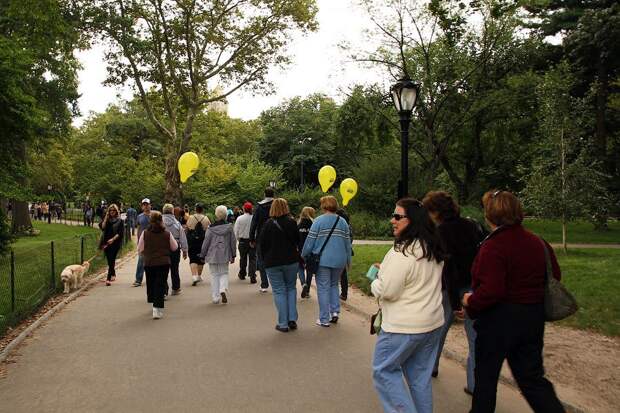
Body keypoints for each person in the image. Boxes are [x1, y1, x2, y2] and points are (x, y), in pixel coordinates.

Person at [462, 190, 565, 413]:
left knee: (486, 378)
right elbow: (554, 274)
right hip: (532, 317)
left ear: (489, 215)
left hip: (498, 320)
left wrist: (471, 302)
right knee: (532, 379)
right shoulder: (538, 242)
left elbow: (492, 290)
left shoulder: (493, 246)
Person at [370, 198, 446, 413]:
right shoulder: (431, 248)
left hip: (403, 328)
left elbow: (387, 291)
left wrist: (375, 280)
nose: (392, 220)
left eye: (397, 216)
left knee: (384, 372)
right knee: (419, 378)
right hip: (431, 324)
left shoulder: (402, 253)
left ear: (413, 220)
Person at [422, 191, 487, 395]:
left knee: (437, 331)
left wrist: (455, 302)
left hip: (449, 288)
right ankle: (475, 383)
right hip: (474, 285)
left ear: (435, 211)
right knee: (475, 338)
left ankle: (430, 367)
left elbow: (448, 269)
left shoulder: (440, 233)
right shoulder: (472, 225)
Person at [301, 196, 351, 327]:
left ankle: (324, 318)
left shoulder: (318, 221)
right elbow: (347, 244)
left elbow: (310, 241)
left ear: (323, 206)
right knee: (334, 285)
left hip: (323, 259)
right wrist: (348, 261)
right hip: (340, 260)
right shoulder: (343, 222)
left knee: (323, 288)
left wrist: (303, 254)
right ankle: (335, 312)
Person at [258, 198, 300, 332]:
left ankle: (283, 323)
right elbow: (297, 241)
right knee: (291, 288)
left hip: (273, 262)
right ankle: (292, 318)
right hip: (291, 260)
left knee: (279, 291)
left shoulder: (268, 224)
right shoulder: (292, 222)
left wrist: (264, 260)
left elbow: (262, 245)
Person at [137, 211, 178, 319]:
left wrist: (146, 252)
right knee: (160, 284)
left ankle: (153, 303)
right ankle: (157, 308)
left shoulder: (145, 233)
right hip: (163, 262)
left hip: (149, 262)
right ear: (161, 220)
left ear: (150, 221)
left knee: (151, 283)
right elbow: (174, 247)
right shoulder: (167, 234)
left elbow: (139, 248)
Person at [200, 205, 236, 304]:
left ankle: (215, 297)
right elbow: (233, 241)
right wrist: (233, 254)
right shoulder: (229, 227)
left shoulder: (210, 228)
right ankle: (223, 289)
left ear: (216, 214)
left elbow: (206, 242)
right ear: (226, 215)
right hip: (225, 254)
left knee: (214, 275)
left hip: (212, 254)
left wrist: (202, 255)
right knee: (224, 272)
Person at [249, 187, 275, 291]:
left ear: (264, 194)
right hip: (275, 236)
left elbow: (254, 224)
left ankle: (264, 284)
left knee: (261, 260)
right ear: (273, 194)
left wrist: (251, 239)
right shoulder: (277, 205)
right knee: (274, 258)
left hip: (261, 236)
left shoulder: (259, 207)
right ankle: (275, 281)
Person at [162, 204, 188, 296]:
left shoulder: (159, 222)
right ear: (172, 211)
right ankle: (176, 288)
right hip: (175, 247)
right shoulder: (177, 223)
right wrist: (185, 250)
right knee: (174, 268)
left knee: (163, 269)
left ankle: (164, 290)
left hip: (162, 248)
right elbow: (182, 237)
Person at [98, 204, 124, 286]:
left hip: (115, 242)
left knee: (112, 259)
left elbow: (120, 233)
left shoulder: (120, 221)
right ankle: (113, 273)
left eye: (113, 210)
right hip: (105, 242)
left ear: (116, 211)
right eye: (110, 210)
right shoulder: (107, 219)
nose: (112, 212)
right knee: (109, 260)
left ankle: (108, 278)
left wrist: (112, 239)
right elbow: (102, 227)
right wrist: (105, 218)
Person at [186, 203, 210, 286]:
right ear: (202, 209)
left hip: (192, 240)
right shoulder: (206, 218)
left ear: (195, 209)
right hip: (202, 241)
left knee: (192, 258)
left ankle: (194, 276)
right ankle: (199, 275)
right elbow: (209, 229)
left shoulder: (191, 217)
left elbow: (187, 227)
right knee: (201, 258)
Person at [234, 202, 256, 281]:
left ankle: (242, 274)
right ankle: (252, 275)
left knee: (243, 258)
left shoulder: (239, 218)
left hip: (243, 241)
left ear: (244, 209)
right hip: (252, 240)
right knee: (253, 259)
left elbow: (236, 230)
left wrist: (238, 239)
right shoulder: (254, 218)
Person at [133, 198, 152, 287]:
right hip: (142, 241)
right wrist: (138, 240)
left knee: (152, 260)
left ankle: (152, 278)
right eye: (144, 204)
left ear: (150, 205)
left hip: (152, 240)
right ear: (142, 206)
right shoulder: (139, 217)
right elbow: (139, 229)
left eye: (147, 204)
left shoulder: (154, 215)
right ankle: (138, 279)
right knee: (141, 260)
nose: (146, 206)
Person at [335, 208, 354, 301]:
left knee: (336, 273)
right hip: (346, 251)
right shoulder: (349, 226)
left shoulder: (340, 226)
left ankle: (337, 293)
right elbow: (351, 239)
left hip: (338, 250)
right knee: (343, 274)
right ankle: (344, 293)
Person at [297, 206, 315, 298]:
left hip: (300, 250)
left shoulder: (298, 224)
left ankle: (303, 284)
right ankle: (307, 290)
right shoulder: (313, 224)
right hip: (311, 251)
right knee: (309, 270)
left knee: (300, 268)